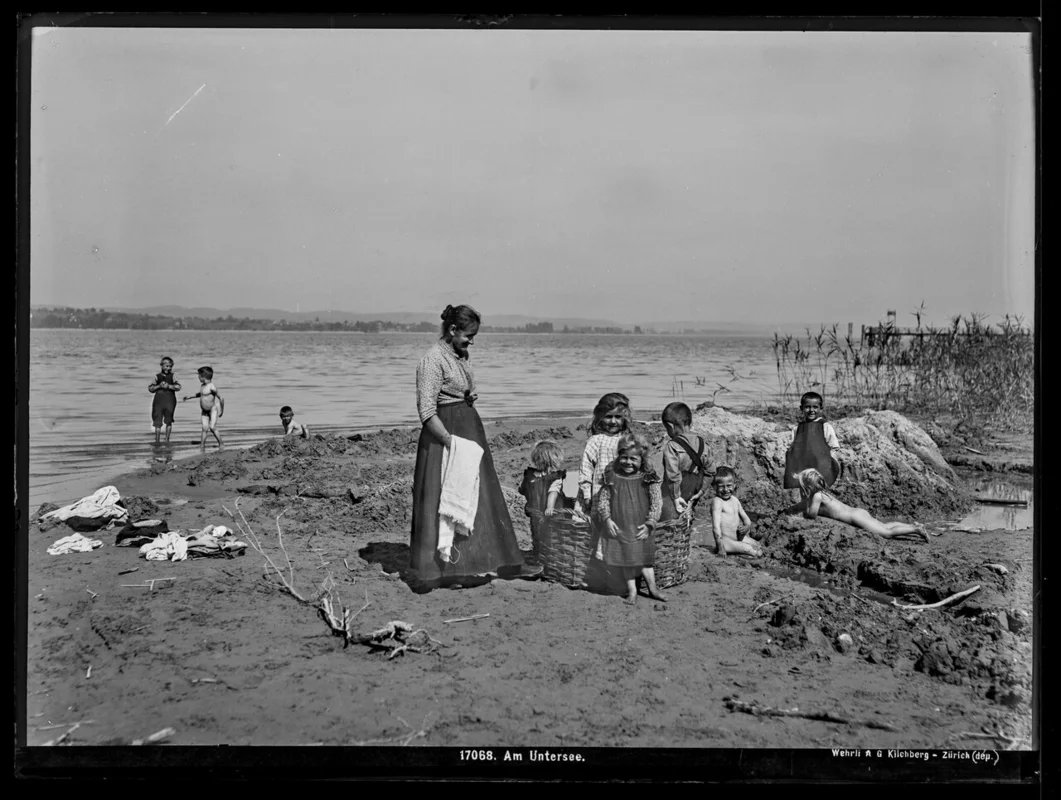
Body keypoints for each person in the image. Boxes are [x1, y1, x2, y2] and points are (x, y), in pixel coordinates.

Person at [410, 304, 541, 589]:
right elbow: (427, 411)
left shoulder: (460, 355)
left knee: (483, 494)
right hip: (446, 436)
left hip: (468, 431)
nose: (472, 341)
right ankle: (447, 571)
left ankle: (503, 562)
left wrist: (467, 397)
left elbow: (457, 390)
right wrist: (451, 444)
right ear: (452, 330)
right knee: (445, 498)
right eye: (468, 335)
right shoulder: (432, 360)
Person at [598, 432, 667, 605]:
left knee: (645, 561)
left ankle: (653, 589)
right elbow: (603, 499)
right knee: (626, 560)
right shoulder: (612, 473)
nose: (628, 462)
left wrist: (650, 523)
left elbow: (656, 502)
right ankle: (632, 591)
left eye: (633, 459)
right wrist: (607, 519)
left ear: (642, 459)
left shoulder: (648, 476)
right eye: (624, 457)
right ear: (619, 455)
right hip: (620, 525)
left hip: (641, 526)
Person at [788, 468, 930, 542]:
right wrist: (794, 508)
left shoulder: (816, 497)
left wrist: (801, 510)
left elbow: (811, 515)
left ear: (807, 487)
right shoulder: (821, 494)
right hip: (857, 512)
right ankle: (913, 526)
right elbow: (805, 506)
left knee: (886, 533)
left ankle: (915, 529)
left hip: (856, 518)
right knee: (884, 525)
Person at [575, 393, 632, 561]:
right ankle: (598, 559)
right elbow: (586, 469)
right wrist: (586, 493)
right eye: (608, 417)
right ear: (600, 417)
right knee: (597, 525)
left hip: (621, 492)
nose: (613, 421)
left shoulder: (628, 440)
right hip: (597, 493)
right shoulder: (595, 441)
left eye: (618, 417)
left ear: (625, 417)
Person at [659, 401, 716, 522]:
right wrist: (700, 492)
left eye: (667, 428)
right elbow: (711, 472)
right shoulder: (703, 444)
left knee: (668, 521)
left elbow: (672, 475)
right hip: (693, 492)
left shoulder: (672, 446)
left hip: (673, 493)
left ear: (670, 426)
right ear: (690, 422)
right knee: (687, 518)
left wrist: (676, 497)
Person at [518, 440, 570, 560]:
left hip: (536, 512)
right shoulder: (555, 477)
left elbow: (522, 489)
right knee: (554, 535)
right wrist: (550, 507)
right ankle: (552, 557)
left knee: (537, 533)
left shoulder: (529, 476)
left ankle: (539, 555)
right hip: (552, 512)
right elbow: (553, 492)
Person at [783, 391, 841, 490]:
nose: (811, 410)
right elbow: (793, 447)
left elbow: (834, 447)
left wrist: (829, 465)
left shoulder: (825, 426)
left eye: (815, 407)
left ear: (821, 408)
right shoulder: (798, 428)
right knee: (804, 490)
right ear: (801, 408)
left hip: (820, 468)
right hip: (803, 468)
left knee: (819, 491)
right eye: (807, 407)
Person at [710, 466, 763, 557]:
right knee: (757, 553)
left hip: (738, 538)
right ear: (714, 487)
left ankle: (738, 551)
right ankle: (735, 554)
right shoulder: (717, 502)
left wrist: (747, 526)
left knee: (759, 546)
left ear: (734, 485)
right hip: (726, 542)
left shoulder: (734, 500)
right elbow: (716, 527)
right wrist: (720, 547)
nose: (726, 490)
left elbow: (746, 519)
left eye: (729, 485)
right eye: (721, 486)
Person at [183, 366, 225, 452]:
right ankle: (202, 445)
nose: (198, 377)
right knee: (204, 428)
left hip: (212, 410)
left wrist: (222, 410)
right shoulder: (202, 386)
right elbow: (201, 394)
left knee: (212, 427)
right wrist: (190, 397)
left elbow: (221, 398)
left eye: (199, 375)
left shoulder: (212, 387)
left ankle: (221, 443)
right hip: (204, 411)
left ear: (203, 376)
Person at [148, 357, 181, 444]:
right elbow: (150, 389)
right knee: (157, 421)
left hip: (170, 401)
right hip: (158, 402)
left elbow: (178, 387)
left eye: (170, 366)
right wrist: (159, 386)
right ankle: (157, 440)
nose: (168, 368)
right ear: (161, 366)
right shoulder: (157, 376)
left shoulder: (173, 376)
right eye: (166, 366)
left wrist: (168, 386)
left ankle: (167, 439)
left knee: (169, 420)